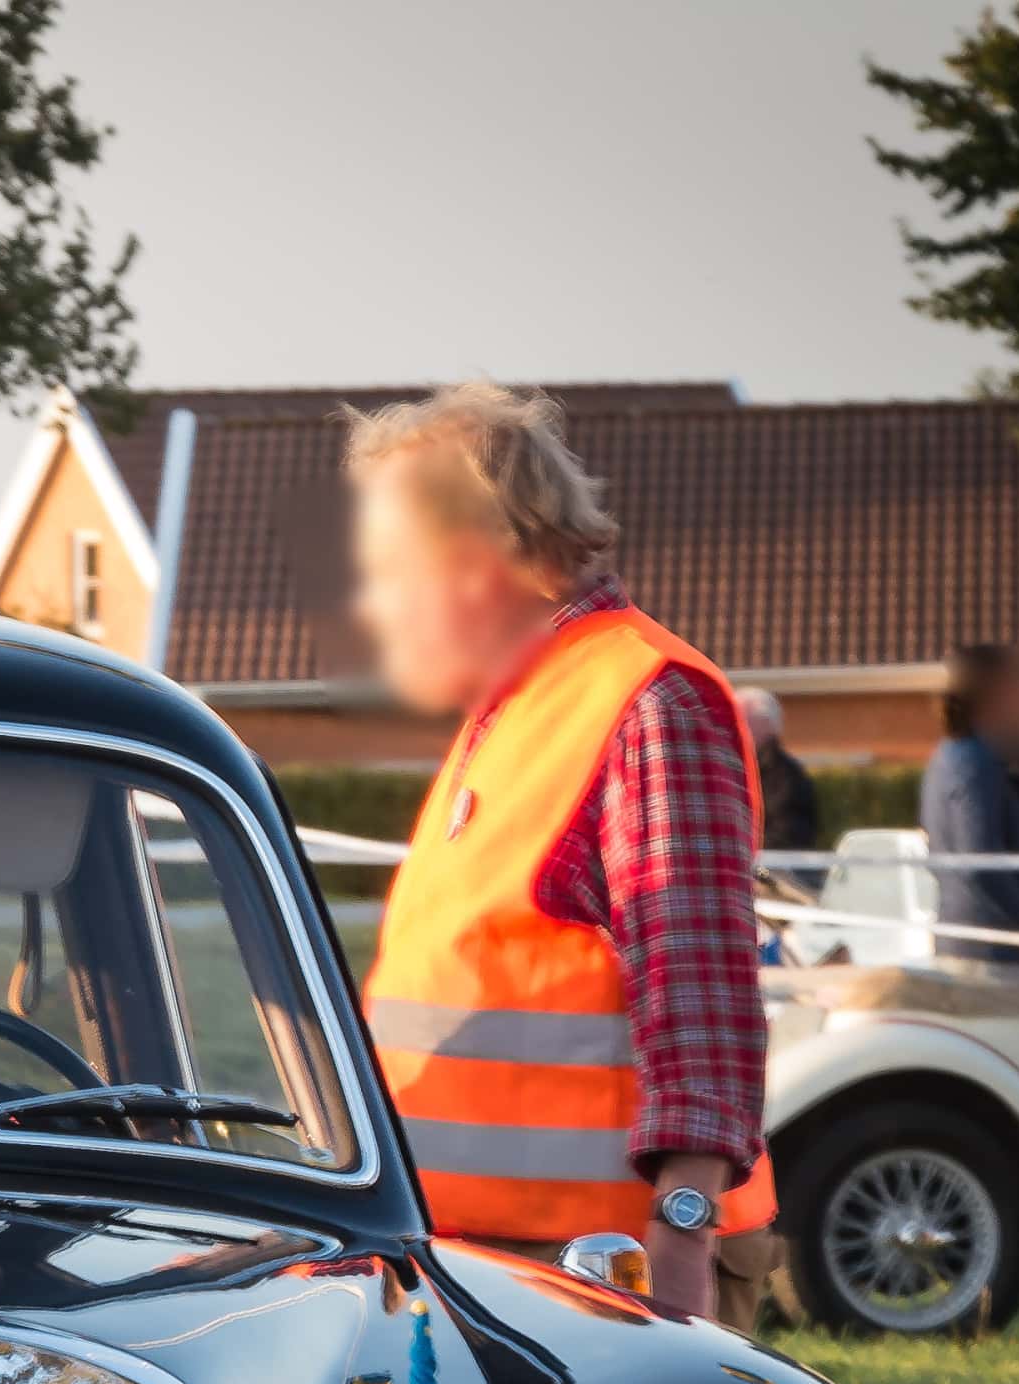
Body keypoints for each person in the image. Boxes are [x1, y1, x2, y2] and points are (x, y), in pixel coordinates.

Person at [342, 382, 777, 1330]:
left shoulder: (645, 702)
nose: (374, 604)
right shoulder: (512, 710)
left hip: (609, 1287)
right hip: (491, 1271)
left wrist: (680, 1282)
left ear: (471, 558)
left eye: (390, 567)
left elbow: (698, 1001)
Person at [919, 641, 1019, 976]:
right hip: (992, 954)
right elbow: (978, 862)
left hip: (984, 945)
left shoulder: (962, 757)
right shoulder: (973, 761)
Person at [736, 686, 821, 855]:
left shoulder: (786, 777)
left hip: (772, 872)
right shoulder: (739, 768)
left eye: (740, 720)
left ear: (765, 726)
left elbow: (787, 836)